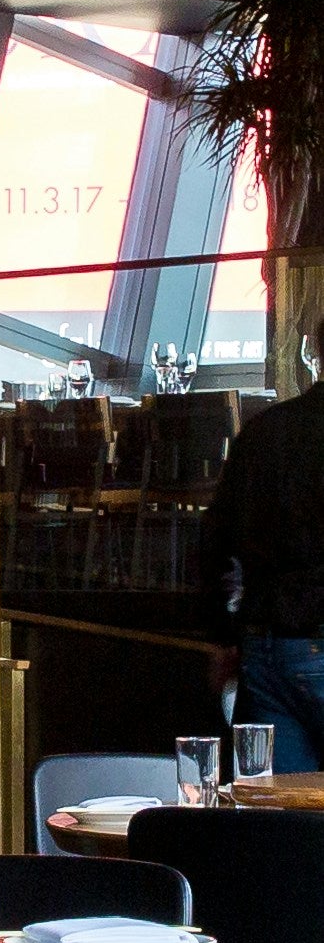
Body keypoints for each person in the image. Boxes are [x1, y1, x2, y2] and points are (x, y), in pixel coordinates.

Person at [200, 325, 324, 772]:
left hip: (265, 649)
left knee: (277, 820)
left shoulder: (266, 430)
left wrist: (221, 637)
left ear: (313, 352)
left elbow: (214, 537)